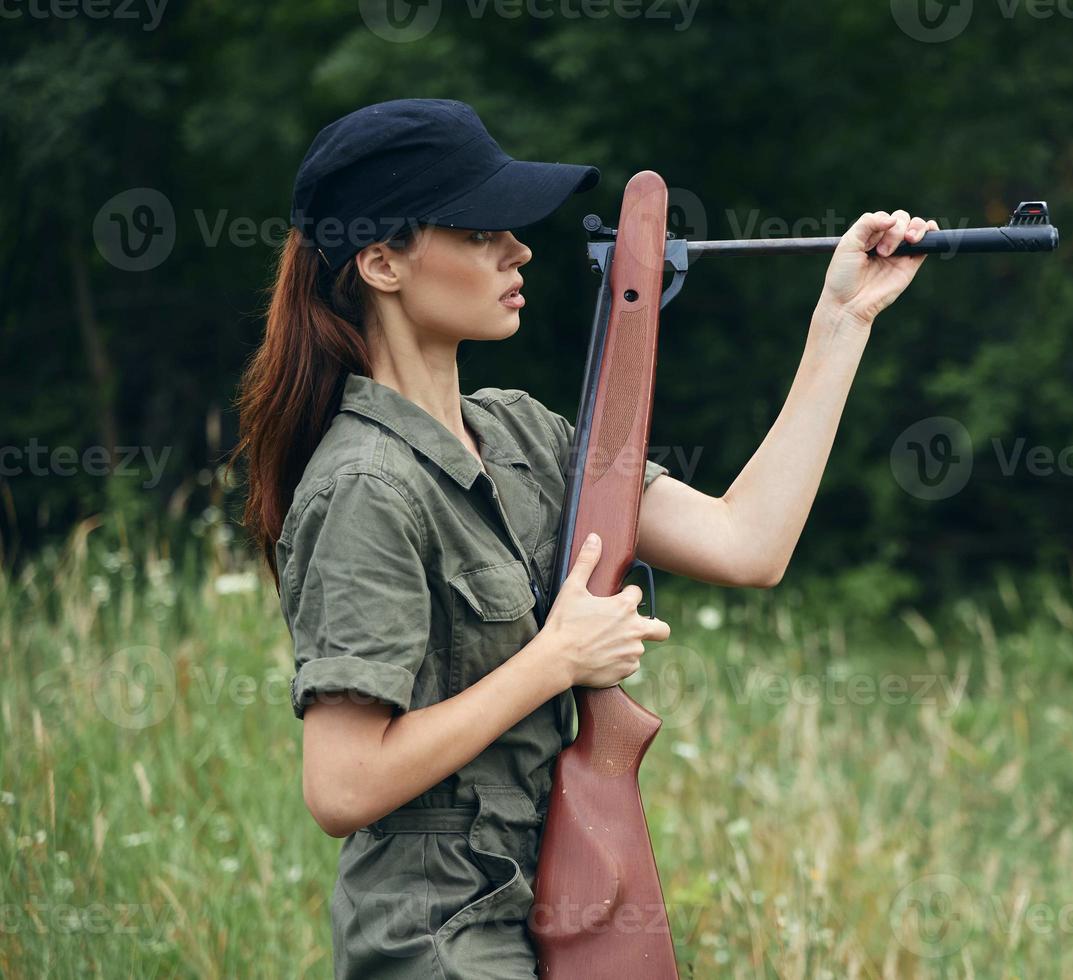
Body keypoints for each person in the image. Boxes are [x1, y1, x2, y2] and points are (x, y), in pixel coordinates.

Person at [230, 97, 939, 978]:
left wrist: (842, 322)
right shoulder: (365, 488)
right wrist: (556, 659)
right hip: (435, 939)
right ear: (382, 263)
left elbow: (746, 543)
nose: (518, 250)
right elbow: (340, 786)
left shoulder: (522, 435)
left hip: (556, 898)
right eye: (481, 230)